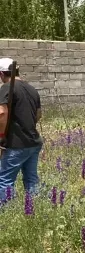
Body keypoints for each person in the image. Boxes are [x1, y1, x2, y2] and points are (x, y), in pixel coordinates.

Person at [0, 58, 42, 201]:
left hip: (16, 145)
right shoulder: (31, 89)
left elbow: (2, 113)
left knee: (5, 180)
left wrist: (1, 136)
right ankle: (33, 210)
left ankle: (5, 213)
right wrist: (25, 125)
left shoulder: (7, 87)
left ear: (1, 74)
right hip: (33, 142)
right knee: (31, 179)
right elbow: (38, 115)